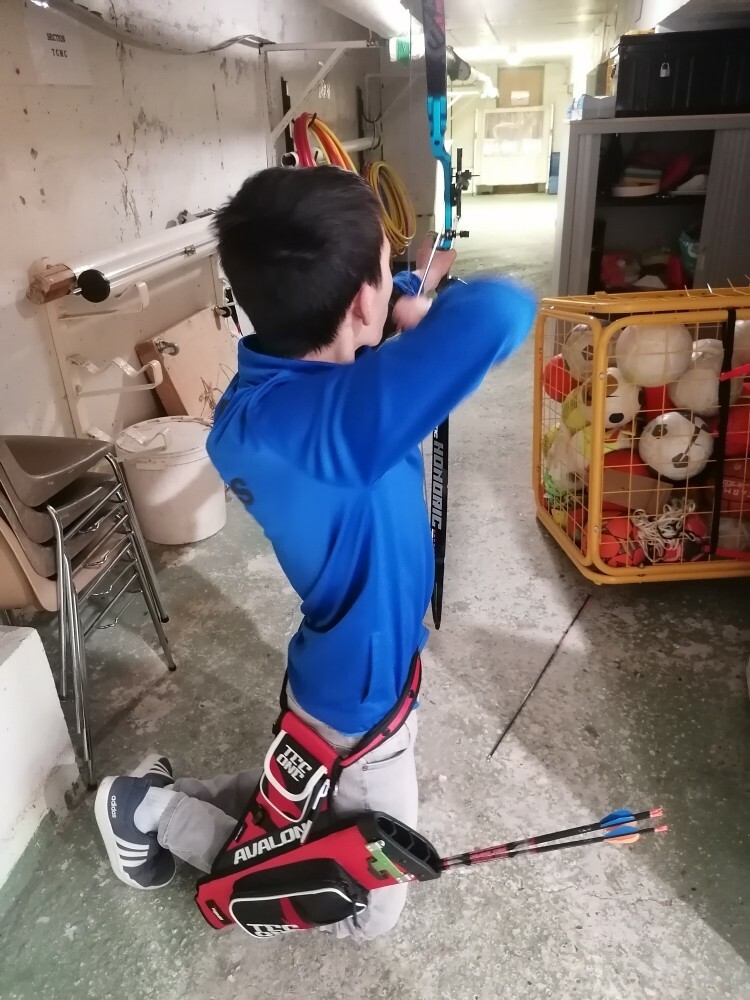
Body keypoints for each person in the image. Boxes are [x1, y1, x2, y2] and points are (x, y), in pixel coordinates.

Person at [95, 165, 536, 939]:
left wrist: (394, 285)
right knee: (367, 908)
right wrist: (413, 305)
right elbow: (502, 310)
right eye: (383, 275)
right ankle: (152, 814)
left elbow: (355, 346)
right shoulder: (342, 431)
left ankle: (176, 794)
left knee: (311, 793)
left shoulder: (274, 400)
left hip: (344, 678)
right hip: (360, 702)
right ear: (362, 303)